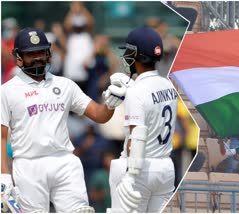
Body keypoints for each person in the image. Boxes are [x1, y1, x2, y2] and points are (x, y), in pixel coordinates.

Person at [1, 27, 127, 212]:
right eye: (31, 54)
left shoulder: (65, 85)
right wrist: (3, 177)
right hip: (28, 165)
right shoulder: (7, 90)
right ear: (19, 57)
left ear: (48, 53)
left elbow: (99, 115)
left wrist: (111, 103)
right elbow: (2, 137)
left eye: (41, 52)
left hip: (65, 162)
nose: (37, 57)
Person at [108, 26, 178, 213]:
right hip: (165, 168)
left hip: (139, 169)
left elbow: (136, 136)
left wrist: (130, 177)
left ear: (135, 55)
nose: (126, 58)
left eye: (129, 53)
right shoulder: (168, 85)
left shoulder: (136, 92)